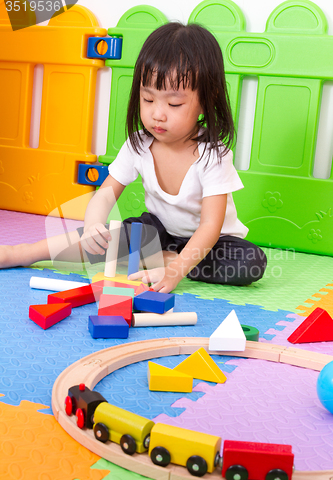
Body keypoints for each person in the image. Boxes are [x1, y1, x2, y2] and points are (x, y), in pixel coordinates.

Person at [0, 22, 267, 292]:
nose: (157, 114)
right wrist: (93, 225)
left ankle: (166, 261)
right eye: (148, 99)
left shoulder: (213, 154)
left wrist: (175, 271)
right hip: (160, 233)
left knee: (251, 262)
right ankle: (23, 252)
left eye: (174, 104)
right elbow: (105, 194)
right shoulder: (139, 143)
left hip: (214, 243)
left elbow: (211, 225)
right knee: (112, 237)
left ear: (207, 98)